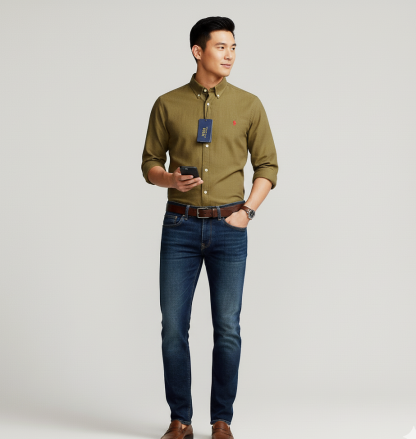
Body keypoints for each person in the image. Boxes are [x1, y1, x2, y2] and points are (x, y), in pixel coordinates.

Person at [141, 16, 278, 439]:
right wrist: (169, 179)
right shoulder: (167, 103)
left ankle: (222, 421)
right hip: (179, 226)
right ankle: (180, 420)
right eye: (221, 47)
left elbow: (268, 166)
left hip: (229, 229)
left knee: (228, 329)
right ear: (198, 52)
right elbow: (149, 163)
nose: (230, 54)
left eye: (233, 47)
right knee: (172, 328)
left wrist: (247, 212)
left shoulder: (249, 104)